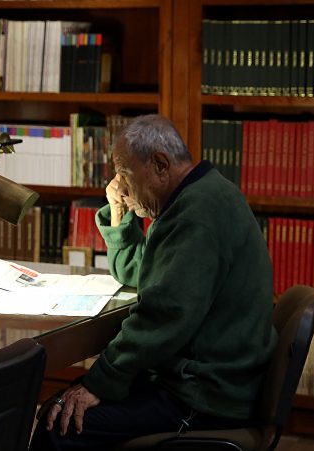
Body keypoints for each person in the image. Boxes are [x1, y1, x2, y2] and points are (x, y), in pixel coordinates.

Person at [30, 114, 278, 450]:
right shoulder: (198, 196)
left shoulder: (198, 213)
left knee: (56, 427)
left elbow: (163, 316)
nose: (121, 186)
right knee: (60, 409)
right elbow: (142, 271)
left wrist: (100, 382)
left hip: (204, 397)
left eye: (126, 175)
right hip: (206, 382)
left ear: (160, 164)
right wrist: (120, 215)